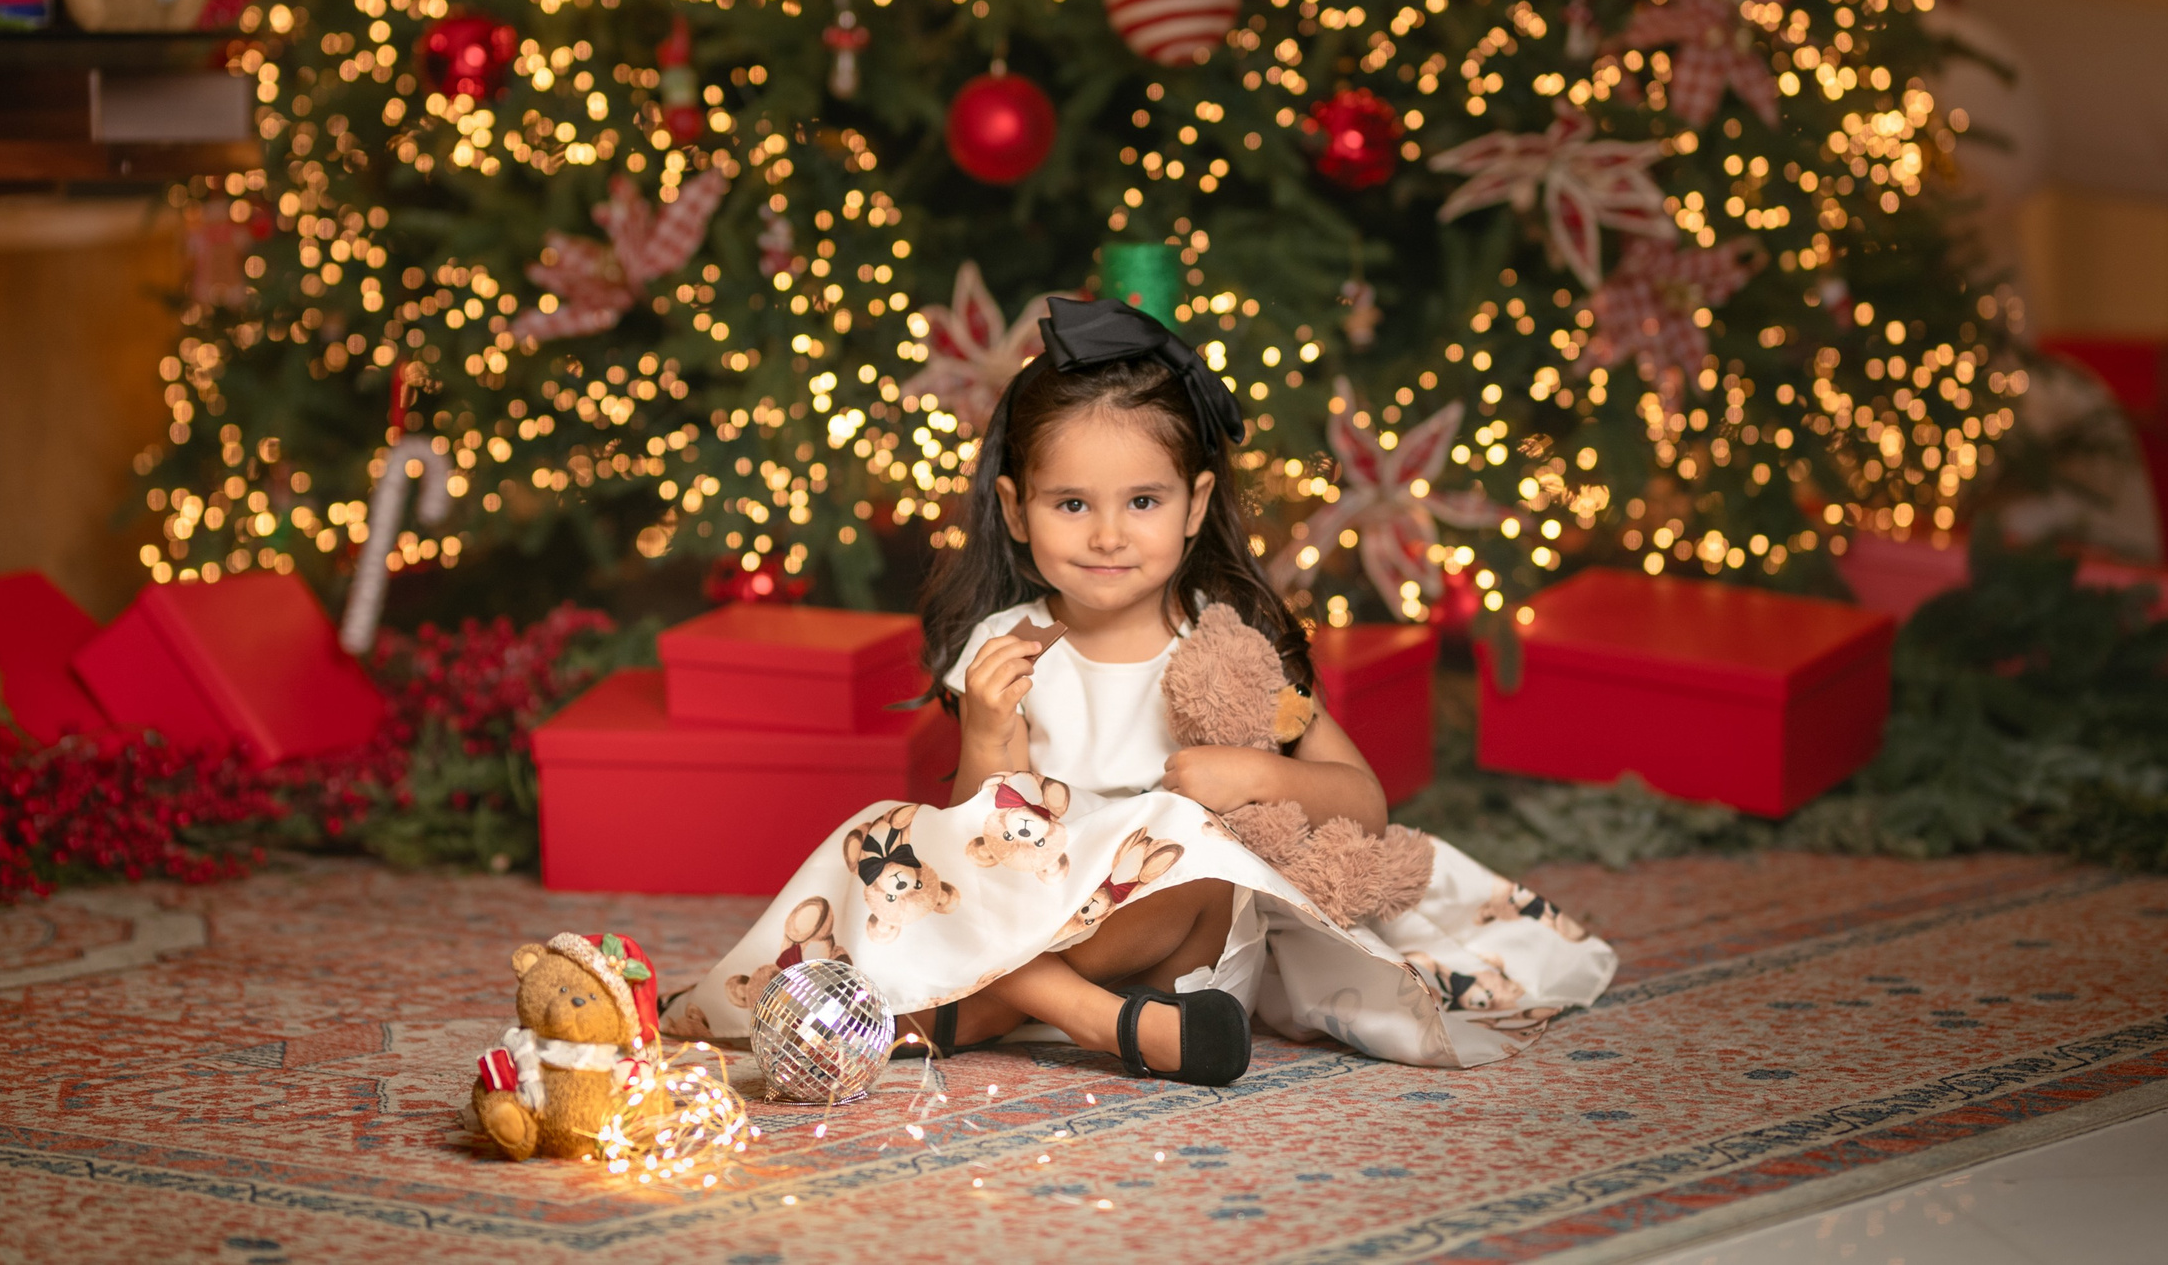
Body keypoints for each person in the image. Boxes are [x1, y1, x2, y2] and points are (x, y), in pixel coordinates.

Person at [664, 298, 1614, 1080]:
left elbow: (1364, 803)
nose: (1109, 534)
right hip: (1041, 922)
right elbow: (977, 841)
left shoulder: (1225, 643)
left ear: (1195, 505)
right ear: (1016, 510)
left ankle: (964, 1008)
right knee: (885, 836)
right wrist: (988, 730)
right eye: (1072, 503)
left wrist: (1255, 775)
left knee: (1194, 849)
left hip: (1172, 937)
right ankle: (1112, 1026)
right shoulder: (1008, 644)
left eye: (1143, 501)